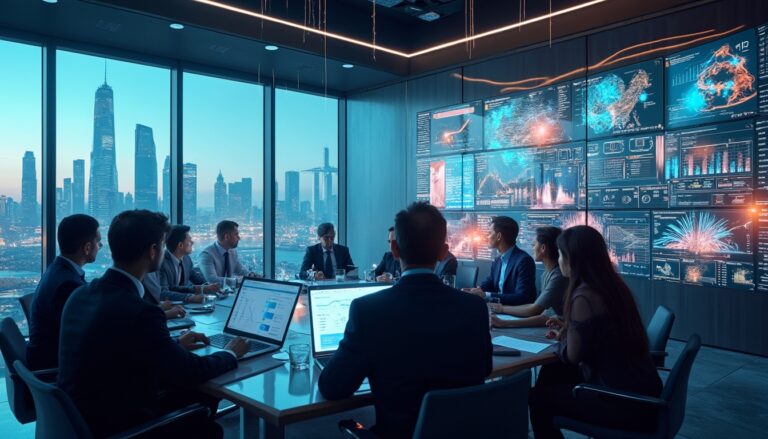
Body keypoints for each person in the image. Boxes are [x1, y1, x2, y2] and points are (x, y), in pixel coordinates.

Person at [58, 210, 248, 438]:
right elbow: (189, 371)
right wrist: (230, 354)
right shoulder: (141, 312)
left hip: (78, 420)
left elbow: (119, 349)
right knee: (205, 409)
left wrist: (175, 344)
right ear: (152, 251)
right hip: (120, 426)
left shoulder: (80, 295)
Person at [319, 202, 492, 439]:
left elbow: (332, 387)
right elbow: (486, 368)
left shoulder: (368, 311)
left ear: (394, 248)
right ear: (444, 251)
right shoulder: (474, 307)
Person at [528, 226, 662, 438]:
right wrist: (569, 330)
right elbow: (602, 333)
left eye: (561, 254)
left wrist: (564, 339)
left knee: (538, 398)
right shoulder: (610, 286)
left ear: (573, 259)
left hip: (621, 401)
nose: (559, 260)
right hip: (641, 389)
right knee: (551, 374)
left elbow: (572, 356)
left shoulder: (584, 296)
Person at [26, 214, 102, 370]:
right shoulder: (68, 284)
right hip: (56, 369)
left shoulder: (58, 270)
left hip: (48, 362)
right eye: (98, 242)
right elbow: (86, 335)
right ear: (87, 248)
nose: (99, 247)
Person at [491, 227, 567, 328]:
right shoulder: (547, 273)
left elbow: (535, 310)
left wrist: (502, 313)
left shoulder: (558, 276)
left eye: (534, 245)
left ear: (543, 248)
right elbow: (539, 309)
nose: (532, 248)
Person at [463, 216, 536, 305]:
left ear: (498, 236)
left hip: (515, 313)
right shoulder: (498, 260)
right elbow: (490, 282)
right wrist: (475, 291)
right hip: (498, 309)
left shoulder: (524, 261)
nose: (487, 237)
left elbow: (521, 297)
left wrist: (486, 295)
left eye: (489, 233)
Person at [159, 225, 220, 297]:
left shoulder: (186, 259)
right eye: (189, 240)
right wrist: (190, 297)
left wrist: (211, 287)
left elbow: (198, 279)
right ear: (180, 245)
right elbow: (164, 292)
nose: (192, 242)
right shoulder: (161, 263)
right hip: (169, 305)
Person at [199, 220, 256, 285]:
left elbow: (240, 270)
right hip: (210, 294)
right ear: (226, 237)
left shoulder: (232, 251)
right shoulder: (207, 255)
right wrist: (237, 281)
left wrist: (252, 275)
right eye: (236, 234)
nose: (239, 238)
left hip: (227, 292)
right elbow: (212, 280)